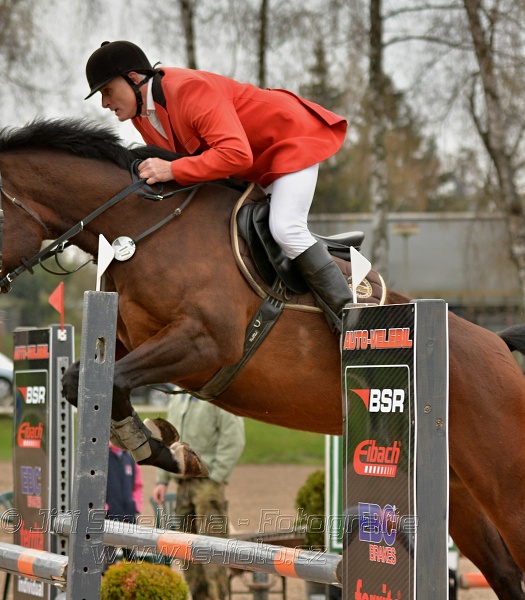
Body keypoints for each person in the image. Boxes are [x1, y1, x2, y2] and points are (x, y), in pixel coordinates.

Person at [85, 40, 352, 333]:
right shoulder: (143, 117)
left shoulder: (188, 89)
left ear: (133, 79)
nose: (104, 103)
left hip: (288, 142)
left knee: (285, 228)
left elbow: (234, 154)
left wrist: (171, 169)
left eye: (107, 91)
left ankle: (350, 317)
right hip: (252, 166)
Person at [152, 394, 246, 600]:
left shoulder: (216, 396)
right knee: (187, 550)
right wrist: (162, 480)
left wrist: (217, 477)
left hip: (207, 485)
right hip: (182, 485)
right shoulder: (178, 397)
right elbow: (167, 441)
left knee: (213, 550)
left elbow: (234, 438)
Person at [104, 441, 143, 570]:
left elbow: (137, 485)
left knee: (132, 561)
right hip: (109, 517)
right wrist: (104, 509)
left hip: (128, 516)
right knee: (106, 561)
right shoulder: (103, 456)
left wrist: (135, 505)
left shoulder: (129, 458)